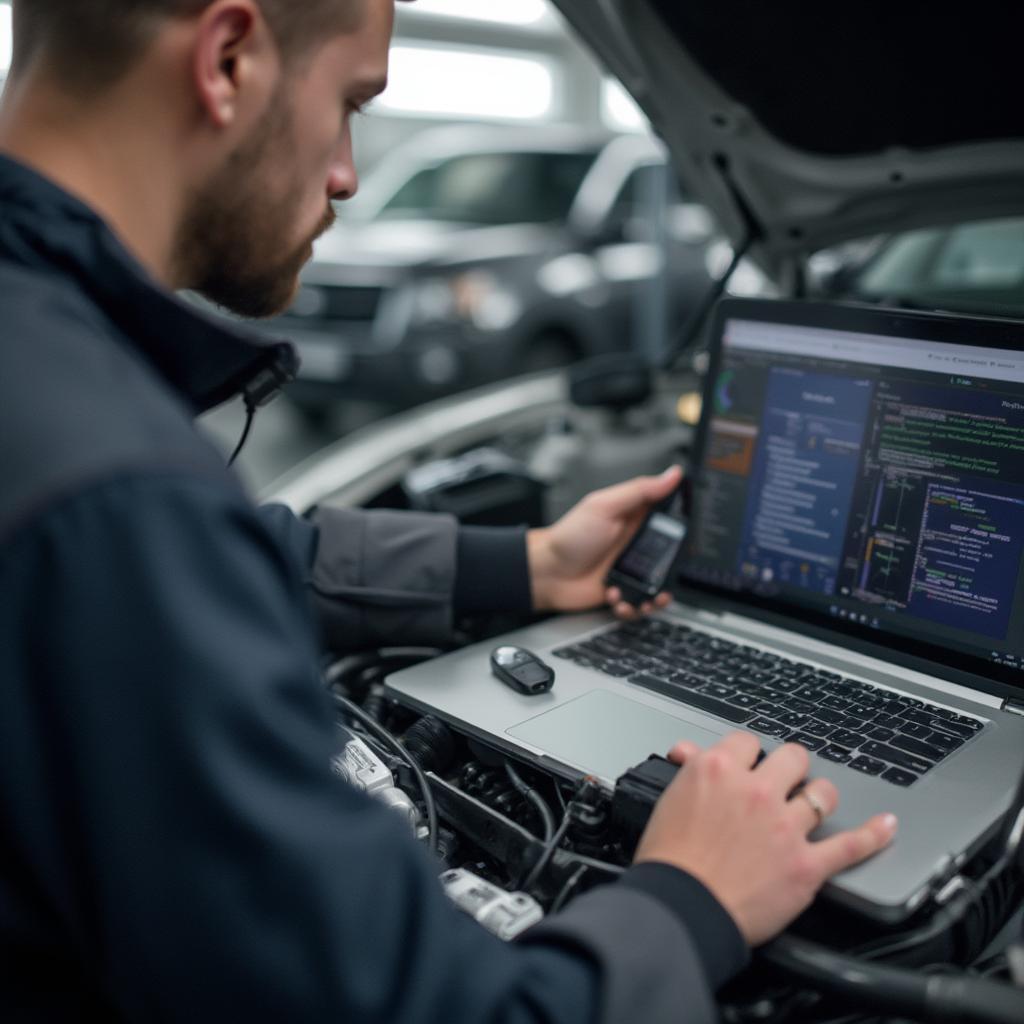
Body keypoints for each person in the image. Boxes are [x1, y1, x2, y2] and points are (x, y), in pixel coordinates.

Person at [0, 1, 897, 1020]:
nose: (345, 171)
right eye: (348, 104)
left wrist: (529, 564)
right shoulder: (114, 495)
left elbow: (226, 560)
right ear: (229, 57)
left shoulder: (48, 390)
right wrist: (691, 897)